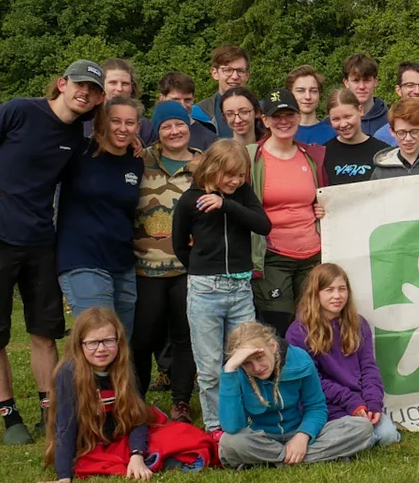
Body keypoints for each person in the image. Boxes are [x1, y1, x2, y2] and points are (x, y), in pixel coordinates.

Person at [0, 59, 103, 444]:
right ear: (62, 84)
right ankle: (9, 416)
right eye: (79, 85)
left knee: (43, 331)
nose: (84, 93)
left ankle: (48, 412)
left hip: (41, 243)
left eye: (93, 90)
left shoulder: (79, 138)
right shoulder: (19, 110)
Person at [39, 307, 215, 483]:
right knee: (95, 462)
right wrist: (64, 477)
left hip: (123, 435)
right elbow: (65, 426)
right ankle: (159, 460)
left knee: (184, 435)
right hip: (91, 443)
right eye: (92, 343)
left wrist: (136, 454)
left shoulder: (124, 367)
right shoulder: (69, 373)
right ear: (79, 344)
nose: (101, 349)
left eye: (108, 341)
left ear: (119, 341)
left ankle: (148, 458)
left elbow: (137, 418)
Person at [171, 140, 269, 438]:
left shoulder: (241, 195)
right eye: (230, 175)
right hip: (205, 290)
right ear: (213, 169)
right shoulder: (190, 199)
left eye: (240, 175)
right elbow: (179, 245)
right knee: (211, 364)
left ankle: (249, 418)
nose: (235, 181)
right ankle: (216, 425)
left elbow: (263, 225)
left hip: (240, 290)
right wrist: (202, 269)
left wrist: (227, 204)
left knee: (246, 355)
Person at [216, 320, 381, 467]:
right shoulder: (234, 372)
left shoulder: (299, 359)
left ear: (272, 346)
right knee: (230, 442)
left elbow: (316, 407)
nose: (257, 367)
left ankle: (275, 460)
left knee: (362, 427)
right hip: (262, 438)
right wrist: (229, 371)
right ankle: (299, 458)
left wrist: (303, 436)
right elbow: (232, 426)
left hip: (298, 431)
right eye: (247, 363)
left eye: (260, 357)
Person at [53, 92, 143, 328]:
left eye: (129, 122)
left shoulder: (137, 161)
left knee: (121, 346)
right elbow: (34, 168)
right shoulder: (79, 152)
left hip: (123, 265)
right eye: (115, 121)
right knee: (100, 338)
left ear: (138, 127)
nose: (122, 128)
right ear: (102, 122)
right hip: (83, 260)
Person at [287, 263, 401, 447]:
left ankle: (357, 438)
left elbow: (369, 367)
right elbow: (312, 381)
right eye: (329, 290)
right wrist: (352, 403)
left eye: (342, 289)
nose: (337, 296)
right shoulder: (298, 331)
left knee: (387, 436)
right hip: (324, 405)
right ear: (316, 293)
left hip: (360, 403)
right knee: (367, 437)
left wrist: (373, 404)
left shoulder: (358, 323)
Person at [131, 100, 197, 401]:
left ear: (189, 125)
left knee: (185, 338)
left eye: (179, 124)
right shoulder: (139, 160)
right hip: (146, 267)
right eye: (166, 126)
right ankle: (136, 401)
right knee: (143, 339)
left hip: (188, 268)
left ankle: (181, 401)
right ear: (156, 131)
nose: (174, 131)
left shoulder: (204, 164)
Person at [250, 90, 326, 332]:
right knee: (279, 327)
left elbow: (327, 196)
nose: (283, 121)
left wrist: (324, 209)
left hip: (312, 256)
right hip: (273, 257)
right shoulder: (252, 158)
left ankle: (312, 371)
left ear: (298, 116)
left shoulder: (312, 156)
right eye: (276, 116)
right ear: (265, 120)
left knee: (312, 325)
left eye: (289, 114)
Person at [317, 89, 384, 187]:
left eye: (348, 117)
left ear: (360, 110)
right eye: (336, 119)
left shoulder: (382, 152)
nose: (343, 124)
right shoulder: (323, 154)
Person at [207, 46, 251, 139]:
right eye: (228, 70)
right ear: (215, 73)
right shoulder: (201, 113)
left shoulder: (262, 110)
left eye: (240, 71)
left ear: (247, 75)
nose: (235, 76)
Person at [339, 54, 389, 135]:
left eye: (366, 80)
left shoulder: (391, 120)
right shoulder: (333, 123)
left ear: (375, 82)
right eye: (356, 80)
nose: (362, 86)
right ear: (346, 82)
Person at [287, 65, 329, 147]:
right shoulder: (282, 132)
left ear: (319, 95)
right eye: (301, 91)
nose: (308, 97)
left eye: (313, 91)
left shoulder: (333, 133)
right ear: (290, 94)